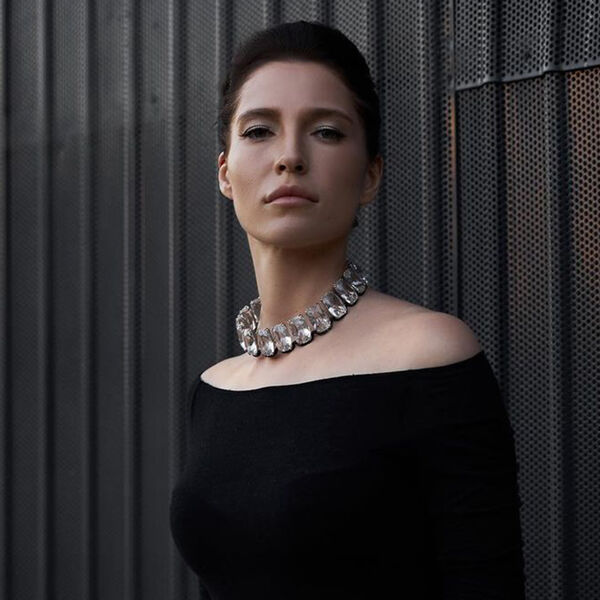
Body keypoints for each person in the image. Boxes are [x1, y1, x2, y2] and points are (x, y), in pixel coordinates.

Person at [170, 20, 526, 599]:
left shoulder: (429, 357)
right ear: (225, 173)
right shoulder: (214, 390)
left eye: (327, 132)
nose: (290, 157)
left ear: (370, 175)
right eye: (259, 130)